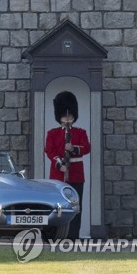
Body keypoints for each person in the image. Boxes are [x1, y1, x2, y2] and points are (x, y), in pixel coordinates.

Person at [45, 91, 90, 240]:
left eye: (70, 116)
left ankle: (73, 235)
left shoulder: (80, 132)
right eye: (65, 116)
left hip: (76, 175)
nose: (67, 119)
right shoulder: (52, 133)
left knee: (75, 207)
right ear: (60, 117)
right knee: (57, 206)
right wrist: (60, 165)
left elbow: (87, 148)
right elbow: (50, 151)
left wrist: (74, 148)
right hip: (58, 175)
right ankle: (56, 235)